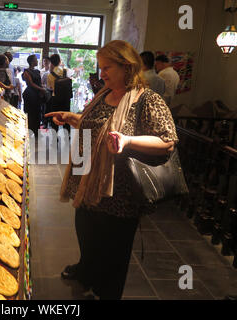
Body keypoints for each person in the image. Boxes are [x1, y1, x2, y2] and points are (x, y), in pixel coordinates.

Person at [45, 40, 179, 300]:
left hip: (120, 193)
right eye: (101, 67)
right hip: (88, 183)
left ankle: (106, 291)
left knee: (113, 252)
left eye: (107, 68)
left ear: (127, 67)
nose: (102, 73)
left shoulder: (147, 99)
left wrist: (128, 141)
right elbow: (94, 124)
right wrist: (73, 118)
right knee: (87, 234)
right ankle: (86, 271)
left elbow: (167, 141)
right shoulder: (104, 93)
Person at [22, 54, 46, 137]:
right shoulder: (26, 72)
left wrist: (41, 89)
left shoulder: (37, 71)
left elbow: (39, 83)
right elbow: (30, 84)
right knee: (31, 113)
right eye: (36, 59)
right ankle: (30, 131)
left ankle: (36, 131)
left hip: (37, 94)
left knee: (37, 112)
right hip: (30, 94)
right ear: (32, 61)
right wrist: (41, 89)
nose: (37, 61)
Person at [47, 53, 71, 134]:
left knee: (55, 118)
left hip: (56, 98)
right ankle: (67, 136)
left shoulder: (50, 75)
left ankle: (55, 138)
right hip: (66, 99)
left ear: (51, 63)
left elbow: (50, 87)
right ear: (59, 61)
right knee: (67, 118)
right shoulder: (65, 71)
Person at [40, 56, 51, 128]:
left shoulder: (50, 72)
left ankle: (48, 122)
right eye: (44, 61)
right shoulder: (41, 71)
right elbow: (40, 83)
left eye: (47, 61)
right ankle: (44, 122)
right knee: (44, 108)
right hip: (44, 92)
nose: (45, 63)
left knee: (49, 108)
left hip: (50, 92)